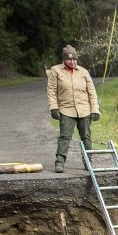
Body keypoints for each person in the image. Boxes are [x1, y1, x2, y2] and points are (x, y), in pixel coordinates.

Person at [47, 45, 100, 173]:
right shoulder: (56, 71)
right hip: (66, 109)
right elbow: (51, 90)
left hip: (84, 110)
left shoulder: (83, 72)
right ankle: (60, 162)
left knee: (86, 137)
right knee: (65, 137)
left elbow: (92, 92)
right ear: (64, 60)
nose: (73, 62)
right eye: (70, 60)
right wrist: (53, 107)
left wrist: (95, 109)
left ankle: (88, 162)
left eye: (75, 60)